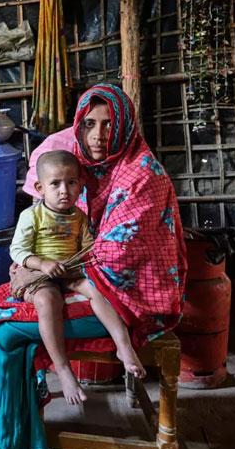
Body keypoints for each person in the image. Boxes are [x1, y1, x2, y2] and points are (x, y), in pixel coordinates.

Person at [0, 84, 187, 449]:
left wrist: (34, 272)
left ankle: (10, 439)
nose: (98, 136)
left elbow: (107, 256)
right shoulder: (99, 169)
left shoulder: (141, 177)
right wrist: (29, 265)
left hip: (128, 298)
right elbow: (68, 240)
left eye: (108, 124)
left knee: (1, 332)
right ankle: (3, 424)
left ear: (125, 125)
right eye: (89, 124)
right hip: (83, 279)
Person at [9, 149, 145, 406]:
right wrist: (42, 263)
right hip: (36, 271)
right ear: (40, 187)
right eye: (56, 184)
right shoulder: (32, 216)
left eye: (71, 183)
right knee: (48, 300)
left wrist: (99, 253)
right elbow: (17, 250)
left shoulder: (79, 217)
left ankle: (124, 347)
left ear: (80, 185)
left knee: (99, 289)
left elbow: (88, 246)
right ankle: (63, 369)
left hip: (69, 270)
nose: (64, 190)